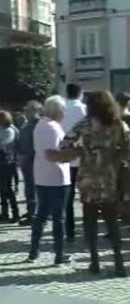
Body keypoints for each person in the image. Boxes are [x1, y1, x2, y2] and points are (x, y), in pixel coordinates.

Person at [47, 91, 129, 277]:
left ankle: (95, 262)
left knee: (90, 222)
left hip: (88, 178)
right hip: (109, 178)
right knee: (112, 223)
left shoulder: (84, 124)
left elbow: (64, 145)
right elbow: (128, 147)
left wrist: (82, 151)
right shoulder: (118, 124)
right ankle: (118, 262)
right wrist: (115, 156)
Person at [24, 96, 72, 265]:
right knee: (58, 217)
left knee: (41, 215)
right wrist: (72, 153)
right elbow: (52, 154)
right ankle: (59, 254)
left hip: (42, 175)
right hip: (57, 176)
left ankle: (34, 250)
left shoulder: (40, 126)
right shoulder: (53, 127)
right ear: (57, 111)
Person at [62, 83, 87, 243]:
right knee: (87, 195)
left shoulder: (61, 109)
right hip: (84, 157)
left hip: (66, 156)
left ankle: (70, 231)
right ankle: (88, 226)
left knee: (68, 196)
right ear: (81, 93)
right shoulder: (85, 110)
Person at [0, 110, 20, 223]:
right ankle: (4, 212)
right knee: (1, 189)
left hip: (8, 162)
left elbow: (4, 144)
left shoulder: (9, 131)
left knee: (8, 189)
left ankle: (15, 213)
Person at [16, 100, 41, 225]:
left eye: (29, 110)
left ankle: (35, 213)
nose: (26, 112)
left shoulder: (39, 125)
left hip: (33, 161)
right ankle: (31, 211)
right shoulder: (26, 125)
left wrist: (25, 156)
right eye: (25, 110)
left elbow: (36, 145)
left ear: (36, 111)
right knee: (29, 188)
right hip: (26, 161)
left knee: (33, 188)